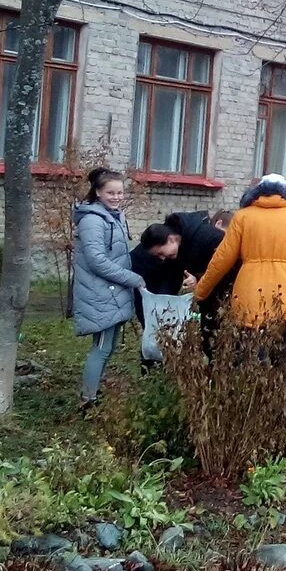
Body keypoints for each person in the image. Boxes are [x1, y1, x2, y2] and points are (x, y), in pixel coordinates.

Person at [194, 174, 286, 336]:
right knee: (282, 357)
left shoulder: (243, 216)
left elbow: (222, 259)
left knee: (249, 355)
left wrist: (200, 291)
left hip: (249, 294)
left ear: (257, 192)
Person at [72, 168, 143, 408]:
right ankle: (88, 400)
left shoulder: (115, 216)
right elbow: (97, 261)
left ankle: (93, 392)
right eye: (110, 192)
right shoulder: (93, 220)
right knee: (101, 347)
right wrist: (132, 278)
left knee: (107, 346)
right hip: (100, 293)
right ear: (98, 192)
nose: (116, 197)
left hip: (112, 291)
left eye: (120, 192)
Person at [164, 209, 233, 356]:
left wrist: (199, 281)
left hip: (213, 298)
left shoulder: (202, 237)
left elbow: (218, 272)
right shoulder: (205, 238)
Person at [129, 223, 192, 372]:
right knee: (152, 330)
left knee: (167, 328)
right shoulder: (142, 256)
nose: (163, 258)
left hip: (165, 290)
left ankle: (166, 364)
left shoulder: (174, 249)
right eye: (159, 255)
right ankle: (150, 366)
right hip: (147, 294)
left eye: (164, 255)